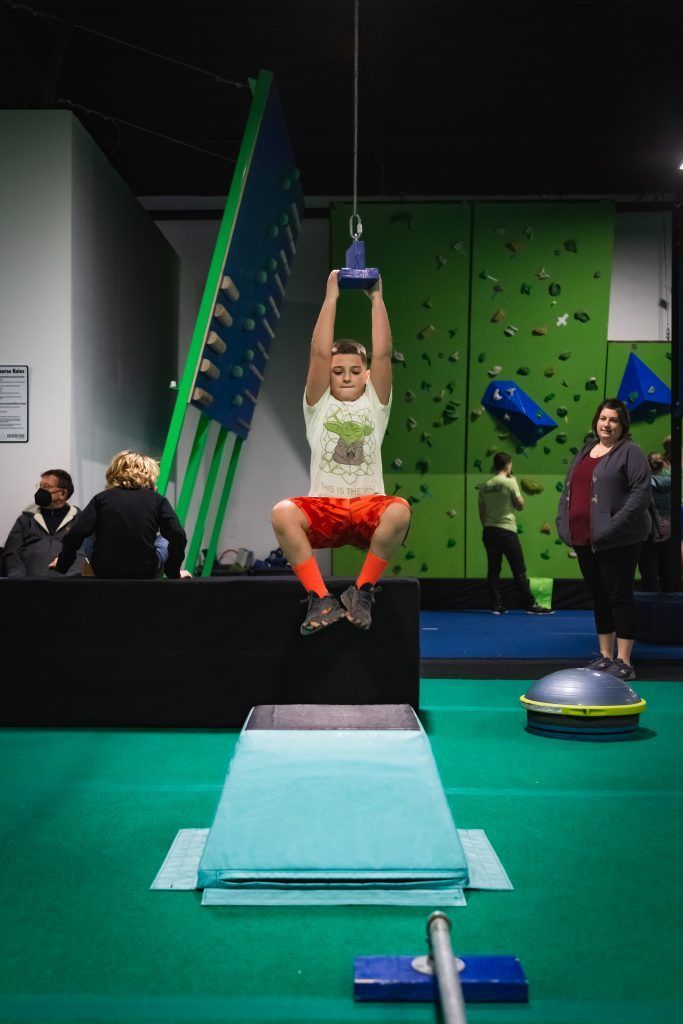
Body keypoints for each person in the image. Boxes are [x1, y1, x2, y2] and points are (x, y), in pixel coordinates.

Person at [271, 270, 411, 634]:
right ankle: (320, 599)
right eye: (337, 371)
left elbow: (382, 354)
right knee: (282, 513)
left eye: (354, 370)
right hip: (327, 508)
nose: (346, 376)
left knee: (399, 511)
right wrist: (331, 297)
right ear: (327, 376)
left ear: (366, 375)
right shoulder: (317, 404)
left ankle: (362, 591)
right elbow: (318, 352)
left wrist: (376, 298)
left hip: (367, 506)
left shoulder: (375, 403)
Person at [556, 398, 652, 681]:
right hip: (585, 539)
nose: (606, 425)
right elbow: (568, 490)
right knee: (599, 597)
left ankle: (624, 661)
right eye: (603, 418)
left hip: (620, 539)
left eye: (613, 420)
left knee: (619, 596)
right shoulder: (586, 450)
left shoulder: (630, 452)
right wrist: (564, 525)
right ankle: (605, 657)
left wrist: (613, 526)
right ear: (596, 421)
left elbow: (640, 495)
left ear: (623, 426)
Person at [51, 450, 188, 579]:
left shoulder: (101, 499)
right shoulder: (157, 500)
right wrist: (172, 572)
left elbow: (75, 533)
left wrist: (63, 564)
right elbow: (178, 536)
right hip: (145, 570)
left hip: (105, 570)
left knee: (88, 531)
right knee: (164, 537)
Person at [478, 452, 552, 615]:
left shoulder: (484, 486)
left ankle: (496, 606)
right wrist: (515, 484)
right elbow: (520, 505)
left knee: (493, 569)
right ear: (508, 465)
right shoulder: (510, 482)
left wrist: (489, 527)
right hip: (507, 531)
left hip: (489, 531)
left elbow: (482, 513)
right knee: (519, 569)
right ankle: (530, 605)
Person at [3, 469, 86, 577]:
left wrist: (69, 580)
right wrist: (18, 578)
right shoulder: (26, 519)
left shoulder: (80, 520)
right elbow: (11, 552)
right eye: (40, 486)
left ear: (63, 493)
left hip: (67, 587)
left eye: (46, 487)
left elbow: (82, 555)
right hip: (27, 586)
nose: (40, 491)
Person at [637, 452, 673, 592]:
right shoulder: (674, 483)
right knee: (670, 577)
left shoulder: (642, 485)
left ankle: (652, 612)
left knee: (649, 577)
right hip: (671, 534)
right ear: (664, 464)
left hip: (647, 534)